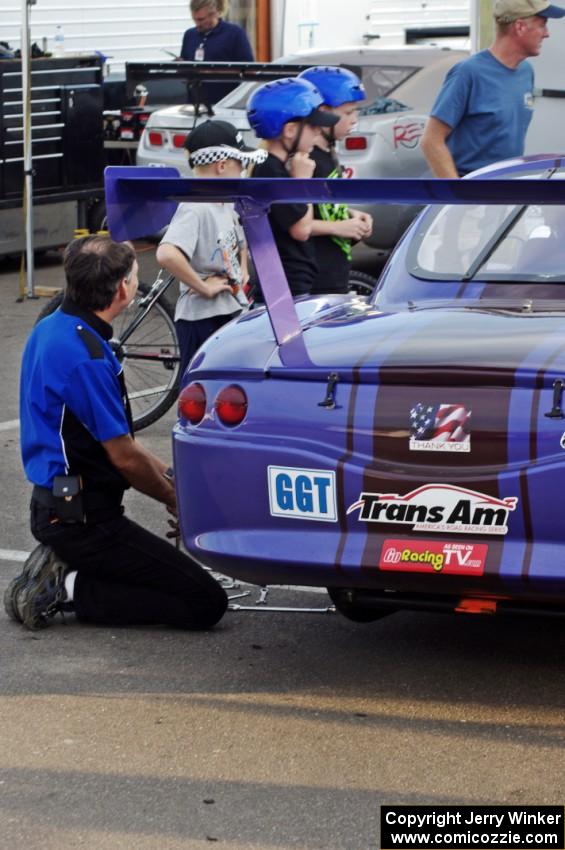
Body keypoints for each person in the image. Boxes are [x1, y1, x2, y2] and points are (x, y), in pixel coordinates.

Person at [7, 236, 228, 631]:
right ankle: (65, 587)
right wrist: (175, 499)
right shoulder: (86, 358)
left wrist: (176, 483)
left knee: (154, 574)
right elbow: (124, 457)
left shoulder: (55, 326)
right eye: (135, 275)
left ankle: (72, 569)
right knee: (204, 602)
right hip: (84, 519)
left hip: (61, 506)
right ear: (123, 288)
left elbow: (121, 445)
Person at [156, 119, 267, 378]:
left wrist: (241, 267)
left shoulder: (224, 202)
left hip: (229, 310)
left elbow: (238, 239)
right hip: (201, 318)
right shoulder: (196, 206)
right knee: (201, 388)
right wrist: (203, 286)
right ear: (221, 166)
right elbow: (166, 253)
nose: (242, 172)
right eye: (240, 165)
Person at [421, 0, 565, 178]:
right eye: (542, 25)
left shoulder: (526, 72)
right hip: (469, 193)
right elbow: (431, 140)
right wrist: (458, 197)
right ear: (519, 27)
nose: (547, 34)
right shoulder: (468, 73)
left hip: (502, 192)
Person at [246, 77, 339, 297]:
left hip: (292, 280)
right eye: (313, 126)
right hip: (286, 284)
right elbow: (301, 229)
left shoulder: (275, 165)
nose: (318, 132)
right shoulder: (269, 170)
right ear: (289, 130)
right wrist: (302, 182)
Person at [298, 66, 374, 294]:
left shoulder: (328, 152)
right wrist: (340, 227)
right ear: (322, 112)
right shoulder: (305, 160)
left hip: (335, 273)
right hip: (315, 279)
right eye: (348, 113)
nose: (354, 120)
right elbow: (298, 222)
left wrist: (350, 214)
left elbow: (322, 204)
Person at [180, 0, 254, 108]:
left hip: (226, 103)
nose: (197, 24)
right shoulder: (189, 35)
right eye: (194, 19)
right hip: (194, 103)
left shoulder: (235, 33)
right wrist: (181, 66)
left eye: (201, 19)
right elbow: (186, 63)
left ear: (215, 14)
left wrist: (212, 72)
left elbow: (250, 70)